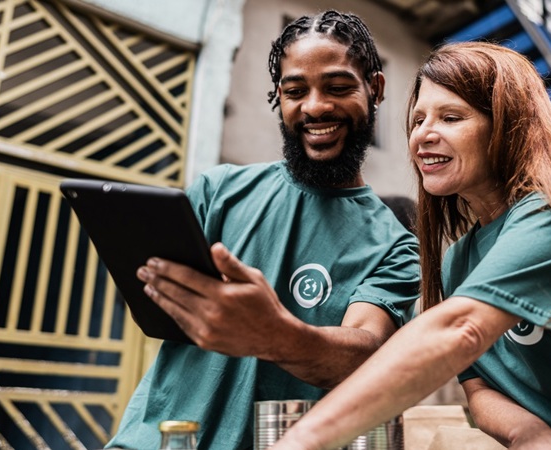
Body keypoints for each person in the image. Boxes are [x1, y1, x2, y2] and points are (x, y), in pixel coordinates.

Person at [269, 42, 551, 450]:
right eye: (417, 120)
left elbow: (459, 329)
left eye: (451, 117)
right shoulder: (457, 259)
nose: (423, 134)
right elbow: (479, 387)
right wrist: (533, 436)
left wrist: (301, 440)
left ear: (506, 124)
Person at [104, 11, 420, 449]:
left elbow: (366, 355)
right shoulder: (218, 192)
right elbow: (154, 308)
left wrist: (274, 334)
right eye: (295, 91)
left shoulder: (396, 247)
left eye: (338, 87)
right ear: (279, 97)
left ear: (375, 89)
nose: (314, 107)